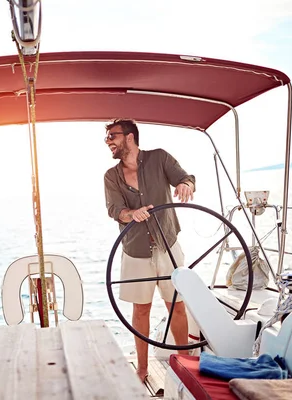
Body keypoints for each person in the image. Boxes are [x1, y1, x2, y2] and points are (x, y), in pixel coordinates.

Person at [103, 119, 195, 383]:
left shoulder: (159, 158)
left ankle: (187, 364)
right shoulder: (111, 176)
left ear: (129, 137)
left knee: (176, 306)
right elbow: (115, 210)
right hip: (135, 250)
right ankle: (142, 370)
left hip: (167, 244)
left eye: (112, 136)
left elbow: (185, 177)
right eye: (107, 137)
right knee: (140, 310)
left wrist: (186, 185)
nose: (109, 141)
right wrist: (132, 213)